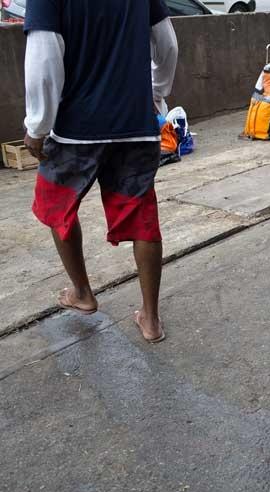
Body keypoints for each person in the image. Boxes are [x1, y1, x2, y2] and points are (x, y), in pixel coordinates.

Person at [23, 0, 178, 343]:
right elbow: (167, 43)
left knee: (58, 208)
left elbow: (45, 58)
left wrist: (37, 125)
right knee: (142, 216)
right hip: (135, 124)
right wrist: (156, 92)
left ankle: (82, 293)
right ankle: (150, 319)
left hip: (75, 129)